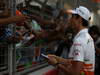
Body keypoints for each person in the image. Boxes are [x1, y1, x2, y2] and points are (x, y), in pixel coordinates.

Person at [47, 6, 95, 75]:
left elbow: (75, 73)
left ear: (79, 19)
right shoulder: (87, 37)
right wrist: (56, 58)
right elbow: (74, 62)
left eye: (72, 17)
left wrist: (56, 64)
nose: (70, 20)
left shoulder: (80, 40)